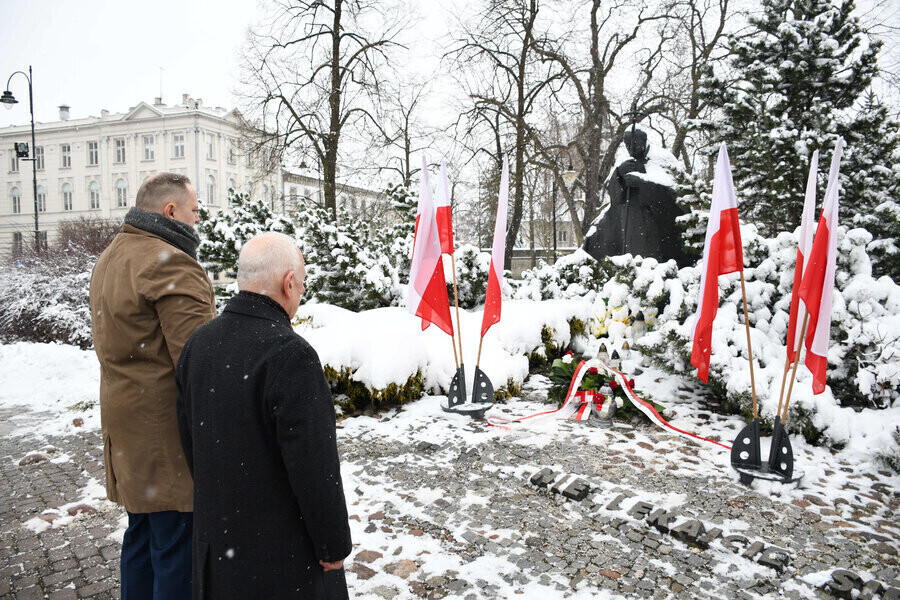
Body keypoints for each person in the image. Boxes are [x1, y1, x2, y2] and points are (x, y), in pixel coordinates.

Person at [175, 232, 352, 599]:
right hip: (280, 561)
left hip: (218, 554)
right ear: (289, 284)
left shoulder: (199, 344)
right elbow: (315, 467)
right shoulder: (292, 355)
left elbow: (192, 441)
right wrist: (333, 546)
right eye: (300, 286)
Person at [90, 173, 216, 599]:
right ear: (170, 211)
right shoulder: (170, 261)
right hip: (165, 436)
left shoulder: (112, 255)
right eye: (195, 210)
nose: (199, 219)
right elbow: (199, 362)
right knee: (176, 550)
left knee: (141, 540)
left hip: (127, 428)